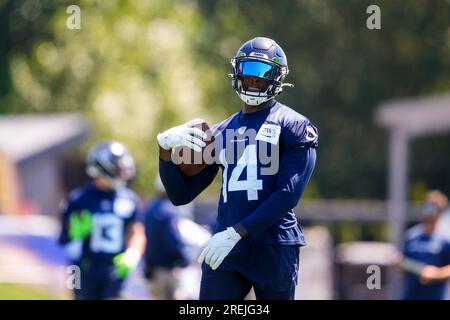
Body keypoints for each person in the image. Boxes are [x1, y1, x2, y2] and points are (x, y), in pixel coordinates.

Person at [156, 37, 318, 300]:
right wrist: (164, 150)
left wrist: (237, 232)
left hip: (273, 244)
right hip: (227, 246)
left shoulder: (294, 125)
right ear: (237, 72)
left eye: (263, 73)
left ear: (277, 78)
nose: (254, 79)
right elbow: (180, 195)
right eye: (250, 71)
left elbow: (288, 194)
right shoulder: (221, 131)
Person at [58, 141, 145, 300]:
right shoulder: (78, 199)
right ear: (104, 167)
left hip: (115, 269)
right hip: (80, 268)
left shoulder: (129, 199)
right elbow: (64, 240)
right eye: (119, 167)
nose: (123, 171)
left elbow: (137, 232)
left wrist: (133, 253)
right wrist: (75, 234)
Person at [400, 190, 450, 300]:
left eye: (433, 208)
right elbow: (402, 261)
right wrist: (401, 263)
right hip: (410, 295)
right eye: (426, 207)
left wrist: (437, 274)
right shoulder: (411, 236)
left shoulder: (446, 238)